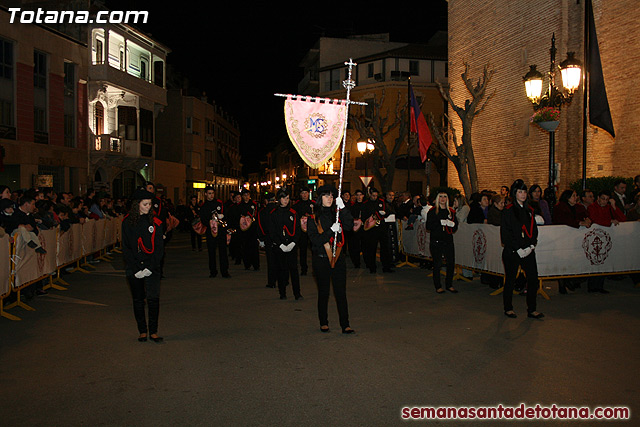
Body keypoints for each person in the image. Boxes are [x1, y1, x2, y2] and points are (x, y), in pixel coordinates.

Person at [307, 185, 355, 334]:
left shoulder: (337, 213)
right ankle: (324, 322)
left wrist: (344, 208)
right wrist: (330, 231)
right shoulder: (313, 218)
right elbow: (315, 240)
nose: (330, 199)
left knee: (341, 292)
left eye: (332, 196)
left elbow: (349, 225)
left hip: (338, 258)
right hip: (321, 259)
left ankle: (345, 324)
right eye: (326, 196)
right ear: (320, 198)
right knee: (324, 292)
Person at [122, 188, 165, 342]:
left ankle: (153, 331)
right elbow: (126, 247)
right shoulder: (127, 222)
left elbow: (159, 248)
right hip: (134, 267)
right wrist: (135, 267)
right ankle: (142, 331)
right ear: (137, 205)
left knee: (153, 299)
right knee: (138, 299)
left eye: (150, 204)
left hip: (151, 267)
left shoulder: (156, 222)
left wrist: (150, 266)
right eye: (145, 204)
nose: (149, 207)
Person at [500, 179, 544, 319]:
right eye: (520, 192)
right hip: (513, 251)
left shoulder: (530, 210)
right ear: (514, 193)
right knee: (511, 279)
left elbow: (533, 230)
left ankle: (532, 309)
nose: (523, 194)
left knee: (533, 279)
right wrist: (517, 248)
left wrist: (531, 245)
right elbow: (506, 232)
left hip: (528, 250)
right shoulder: (508, 210)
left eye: (524, 191)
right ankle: (508, 308)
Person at [270, 189, 302, 300]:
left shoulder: (293, 213)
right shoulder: (274, 214)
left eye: (287, 198)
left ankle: (297, 294)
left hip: (292, 246)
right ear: (279, 199)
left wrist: (293, 242)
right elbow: (272, 232)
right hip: (280, 247)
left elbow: (298, 229)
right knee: (281, 270)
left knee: (294, 270)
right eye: (283, 198)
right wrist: (280, 244)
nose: (285, 201)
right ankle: (282, 293)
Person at [426, 191, 459, 293]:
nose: (443, 199)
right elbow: (428, 227)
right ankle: (438, 286)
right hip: (436, 241)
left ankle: (449, 284)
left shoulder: (451, 212)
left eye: (445, 196)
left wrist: (451, 224)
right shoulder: (432, 211)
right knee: (437, 264)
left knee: (450, 263)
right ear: (437, 198)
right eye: (440, 197)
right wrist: (439, 223)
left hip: (448, 241)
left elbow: (455, 227)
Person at [200, 186, 230, 278]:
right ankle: (213, 271)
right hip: (211, 231)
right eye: (209, 193)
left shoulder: (219, 203)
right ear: (205, 194)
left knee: (223, 251)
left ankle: (224, 271)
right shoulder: (204, 206)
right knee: (211, 252)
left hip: (221, 231)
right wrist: (211, 220)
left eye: (212, 193)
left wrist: (222, 217)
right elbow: (203, 220)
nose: (211, 195)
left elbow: (226, 214)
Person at [291, 187, 315, 276]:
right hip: (301, 231)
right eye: (303, 193)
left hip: (312, 231)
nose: (304, 195)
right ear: (300, 194)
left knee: (315, 250)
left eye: (306, 193)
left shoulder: (313, 204)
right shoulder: (296, 206)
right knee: (303, 250)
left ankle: (315, 268)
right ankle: (303, 268)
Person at [257, 192, 278, 289]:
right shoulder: (279, 210)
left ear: (266, 201)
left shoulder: (262, 212)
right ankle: (283, 280)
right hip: (279, 238)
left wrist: (261, 239)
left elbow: (260, 226)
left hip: (268, 238)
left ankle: (271, 282)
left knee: (271, 261)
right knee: (281, 260)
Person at [238, 189, 259, 270]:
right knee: (245, 247)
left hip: (252, 229)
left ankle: (256, 265)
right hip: (243, 229)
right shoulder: (240, 205)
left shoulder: (254, 204)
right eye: (244, 195)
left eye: (248, 195)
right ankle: (247, 264)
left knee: (254, 247)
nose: (246, 197)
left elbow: (256, 215)